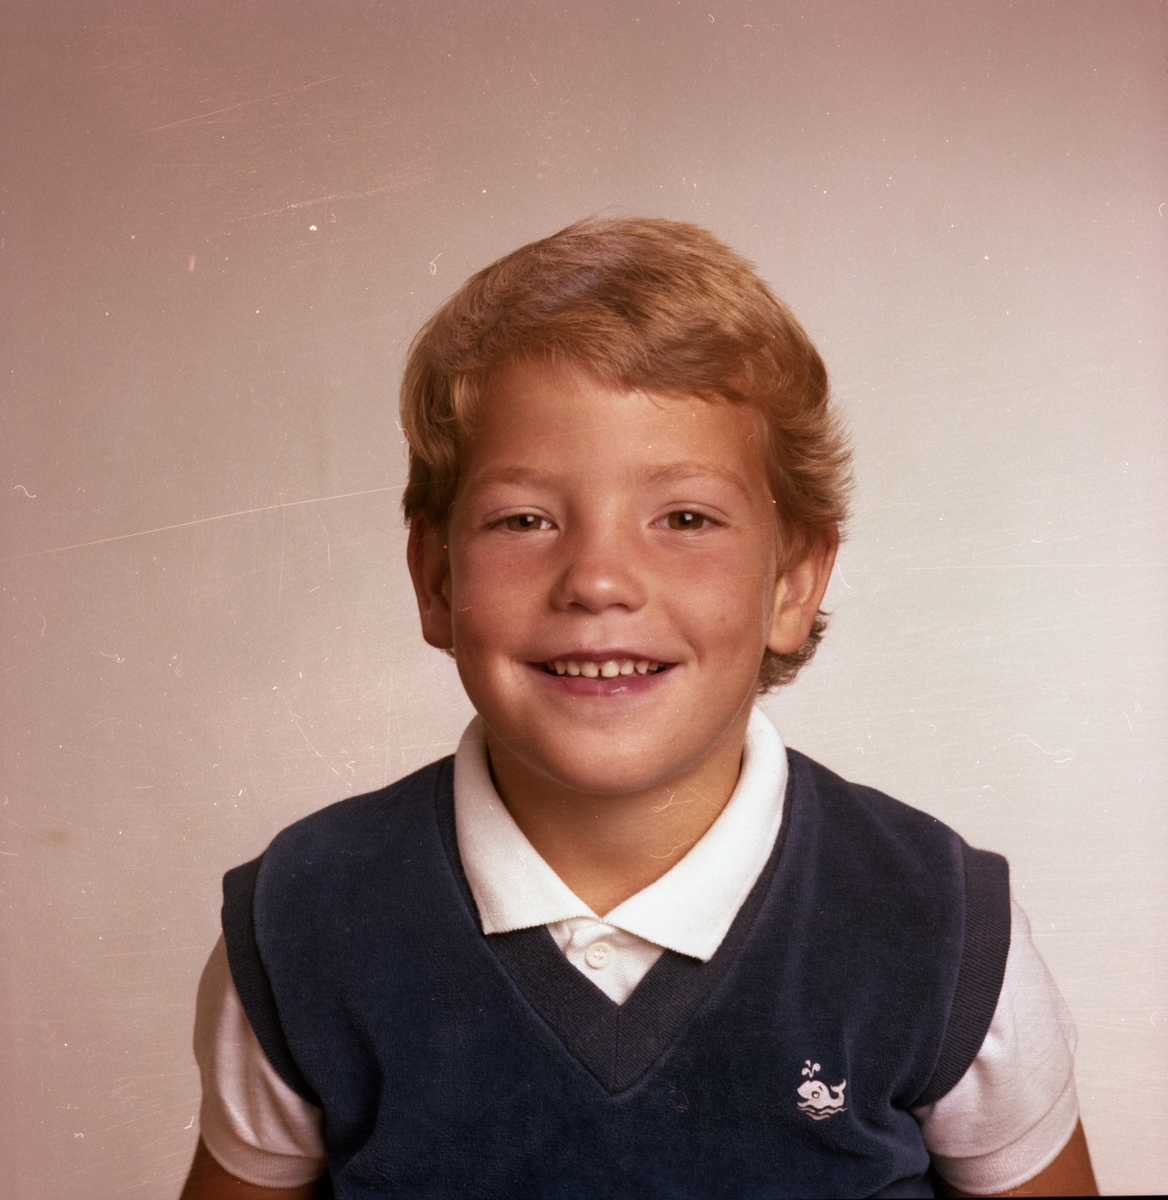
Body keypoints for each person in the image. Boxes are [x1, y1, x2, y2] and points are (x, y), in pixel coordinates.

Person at [180, 218, 1097, 1198]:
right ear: (435, 579)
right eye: (523, 519)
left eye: (685, 518)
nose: (599, 580)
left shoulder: (940, 932)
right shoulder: (301, 927)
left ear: (792, 583)